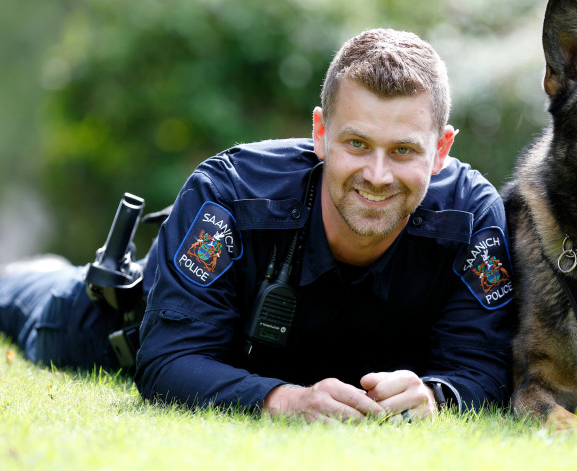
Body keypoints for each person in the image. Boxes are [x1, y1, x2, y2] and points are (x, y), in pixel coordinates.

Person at [0, 28, 514, 422]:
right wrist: (283, 400)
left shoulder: (473, 217)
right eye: (356, 144)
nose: (376, 176)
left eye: (403, 150)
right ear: (320, 133)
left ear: (441, 150)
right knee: (21, 293)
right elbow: (167, 360)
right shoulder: (227, 191)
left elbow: (486, 365)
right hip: (106, 325)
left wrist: (437, 395)